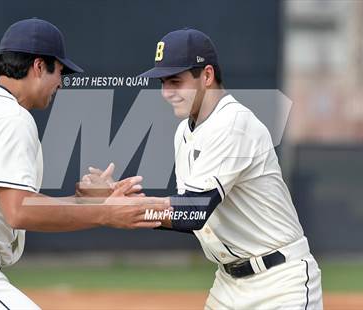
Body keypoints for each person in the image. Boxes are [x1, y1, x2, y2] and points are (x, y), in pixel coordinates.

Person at [90, 28, 323, 309]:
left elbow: (193, 212)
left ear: (207, 76)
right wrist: (127, 201)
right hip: (229, 284)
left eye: (175, 81)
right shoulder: (184, 132)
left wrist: (131, 209)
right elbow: (194, 217)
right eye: (163, 82)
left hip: (279, 283)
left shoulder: (233, 124)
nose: (166, 92)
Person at [0, 18, 169, 309]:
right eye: (59, 71)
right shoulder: (11, 117)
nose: (61, 83)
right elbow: (19, 210)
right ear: (39, 66)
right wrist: (103, 213)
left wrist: (84, 202)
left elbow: (15, 203)